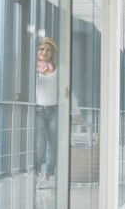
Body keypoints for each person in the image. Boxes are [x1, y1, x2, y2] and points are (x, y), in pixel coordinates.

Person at [35, 37, 83, 189]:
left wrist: (75, 111)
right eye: (42, 49)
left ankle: (47, 177)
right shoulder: (32, 69)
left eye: (48, 50)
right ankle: (35, 173)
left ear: (53, 53)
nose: (45, 52)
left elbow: (68, 92)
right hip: (38, 111)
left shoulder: (60, 69)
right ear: (37, 51)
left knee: (52, 146)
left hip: (55, 111)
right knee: (39, 144)